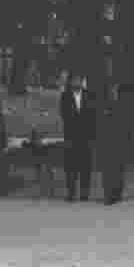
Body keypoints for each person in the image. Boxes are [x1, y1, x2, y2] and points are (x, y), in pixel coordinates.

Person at [60, 73, 96, 202]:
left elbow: (93, 114)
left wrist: (90, 131)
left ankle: (84, 194)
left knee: (86, 166)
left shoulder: (89, 95)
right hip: (71, 135)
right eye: (74, 81)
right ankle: (71, 193)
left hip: (86, 136)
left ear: (82, 82)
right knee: (71, 166)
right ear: (71, 83)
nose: (77, 83)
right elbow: (64, 115)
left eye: (79, 81)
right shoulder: (65, 96)